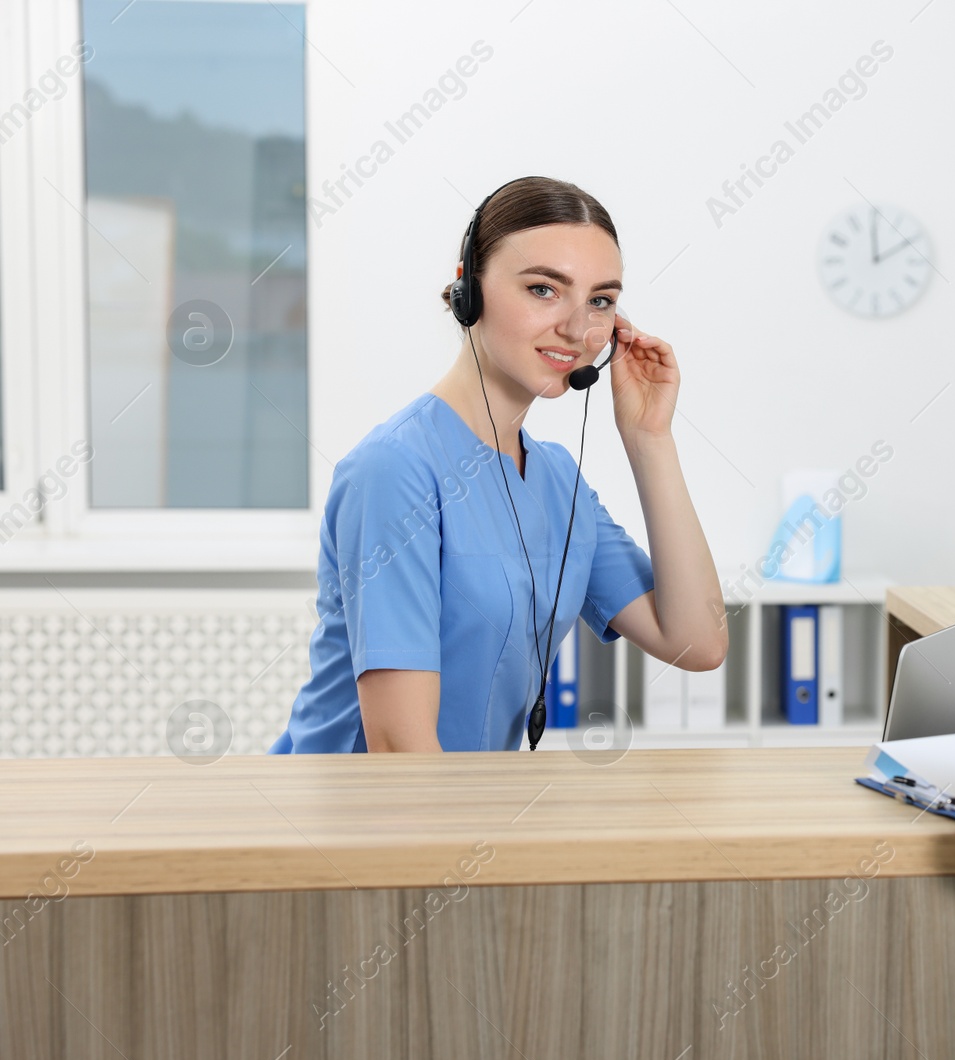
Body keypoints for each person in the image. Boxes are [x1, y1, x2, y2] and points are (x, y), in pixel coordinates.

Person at [272, 176, 725, 754]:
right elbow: (399, 750)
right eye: (543, 289)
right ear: (469, 291)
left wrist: (649, 438)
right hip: (361, 826)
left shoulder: (557, 479)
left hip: (466, 816)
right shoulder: (395, 470)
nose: (578, 328)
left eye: (601, 301)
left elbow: (697, 642)